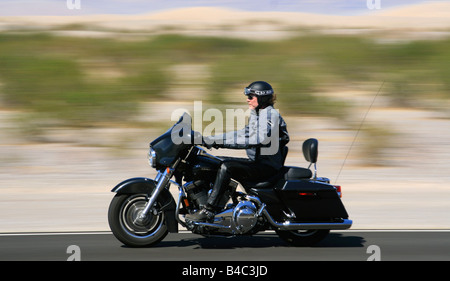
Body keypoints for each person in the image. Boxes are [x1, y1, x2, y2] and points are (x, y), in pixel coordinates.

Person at [186, 81, 289, 222]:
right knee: (213, 161)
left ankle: (209, 210)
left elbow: (253, 140)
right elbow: (242, 134)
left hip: (266, 167)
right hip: (257, 163)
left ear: (262, 97)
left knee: (227, 166)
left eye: (251, 96)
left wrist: (216, 142)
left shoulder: (270, 115)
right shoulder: (258, 113)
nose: (248, 99)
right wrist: (207, 139)